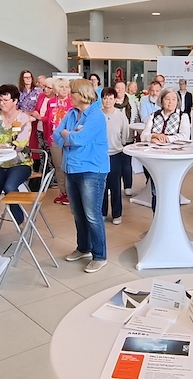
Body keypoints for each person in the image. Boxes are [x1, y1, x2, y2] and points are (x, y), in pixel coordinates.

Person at [54, 79, 110, 273]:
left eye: (73, 92)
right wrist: (69, 134)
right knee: (78, 213)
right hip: (71, 168)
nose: (69, 95)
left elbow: (80, 139)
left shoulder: (96, 116)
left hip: (91, 170)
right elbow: (56, 135)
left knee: (92, 215)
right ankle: (83, 248)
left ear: (83, 94)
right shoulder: (71, 113)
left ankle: (100, 255)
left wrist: (68, 135)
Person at [0, 84, 34, 248]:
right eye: (0, 100)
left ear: (15, 101)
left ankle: (20, 220)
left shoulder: (23, 119)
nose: (2, 103)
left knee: (9, 186)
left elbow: (19, 144)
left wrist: (0, 146)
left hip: (20, 163)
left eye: (5, 100)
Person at [141, 87, 192, 211]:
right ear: (162, 100)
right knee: (155, 191)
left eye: (174, 99)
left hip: (173, 158)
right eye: (167, 99)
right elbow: (143, 136)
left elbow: (185, 136)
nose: (171, 102)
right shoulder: (154, 116)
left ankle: (172, 216)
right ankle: (157, 217)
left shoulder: (183, 116)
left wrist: (168, 138)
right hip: (155, 158)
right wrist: (154, 136)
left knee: (172, 189)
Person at [42, 77, 73, 205]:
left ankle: (71, 193)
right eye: (61, 87)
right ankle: (63, 192)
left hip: (69, 138)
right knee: (59, 166)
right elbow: (48, 120)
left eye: (66, 87)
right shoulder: (51, 102)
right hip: (54, 138)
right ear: (56, 89)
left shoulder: (72, 102)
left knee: (69, 166)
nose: (64, 89)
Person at [100, 87, 128, 225]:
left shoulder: (121, 115)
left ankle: (117, 214)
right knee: (102, 185)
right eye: (105, 98)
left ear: (115, 100)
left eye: (110, 98)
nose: (108, 101)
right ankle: (102, 212)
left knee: (115, 185)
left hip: (116, 154)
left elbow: (125, 135)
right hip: (100, 155)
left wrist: (120, 145)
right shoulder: (97, 114)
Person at [113, 81, 138, 196]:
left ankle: (128, 186)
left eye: (122, 88)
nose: (119, 90)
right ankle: (114, 186)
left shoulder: (131, 103)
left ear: (125, 90)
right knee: (115, 164)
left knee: (127, 163)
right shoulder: (110, 102)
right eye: (117, 88)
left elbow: (136, 119)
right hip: (114, 139)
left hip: (128, 137)